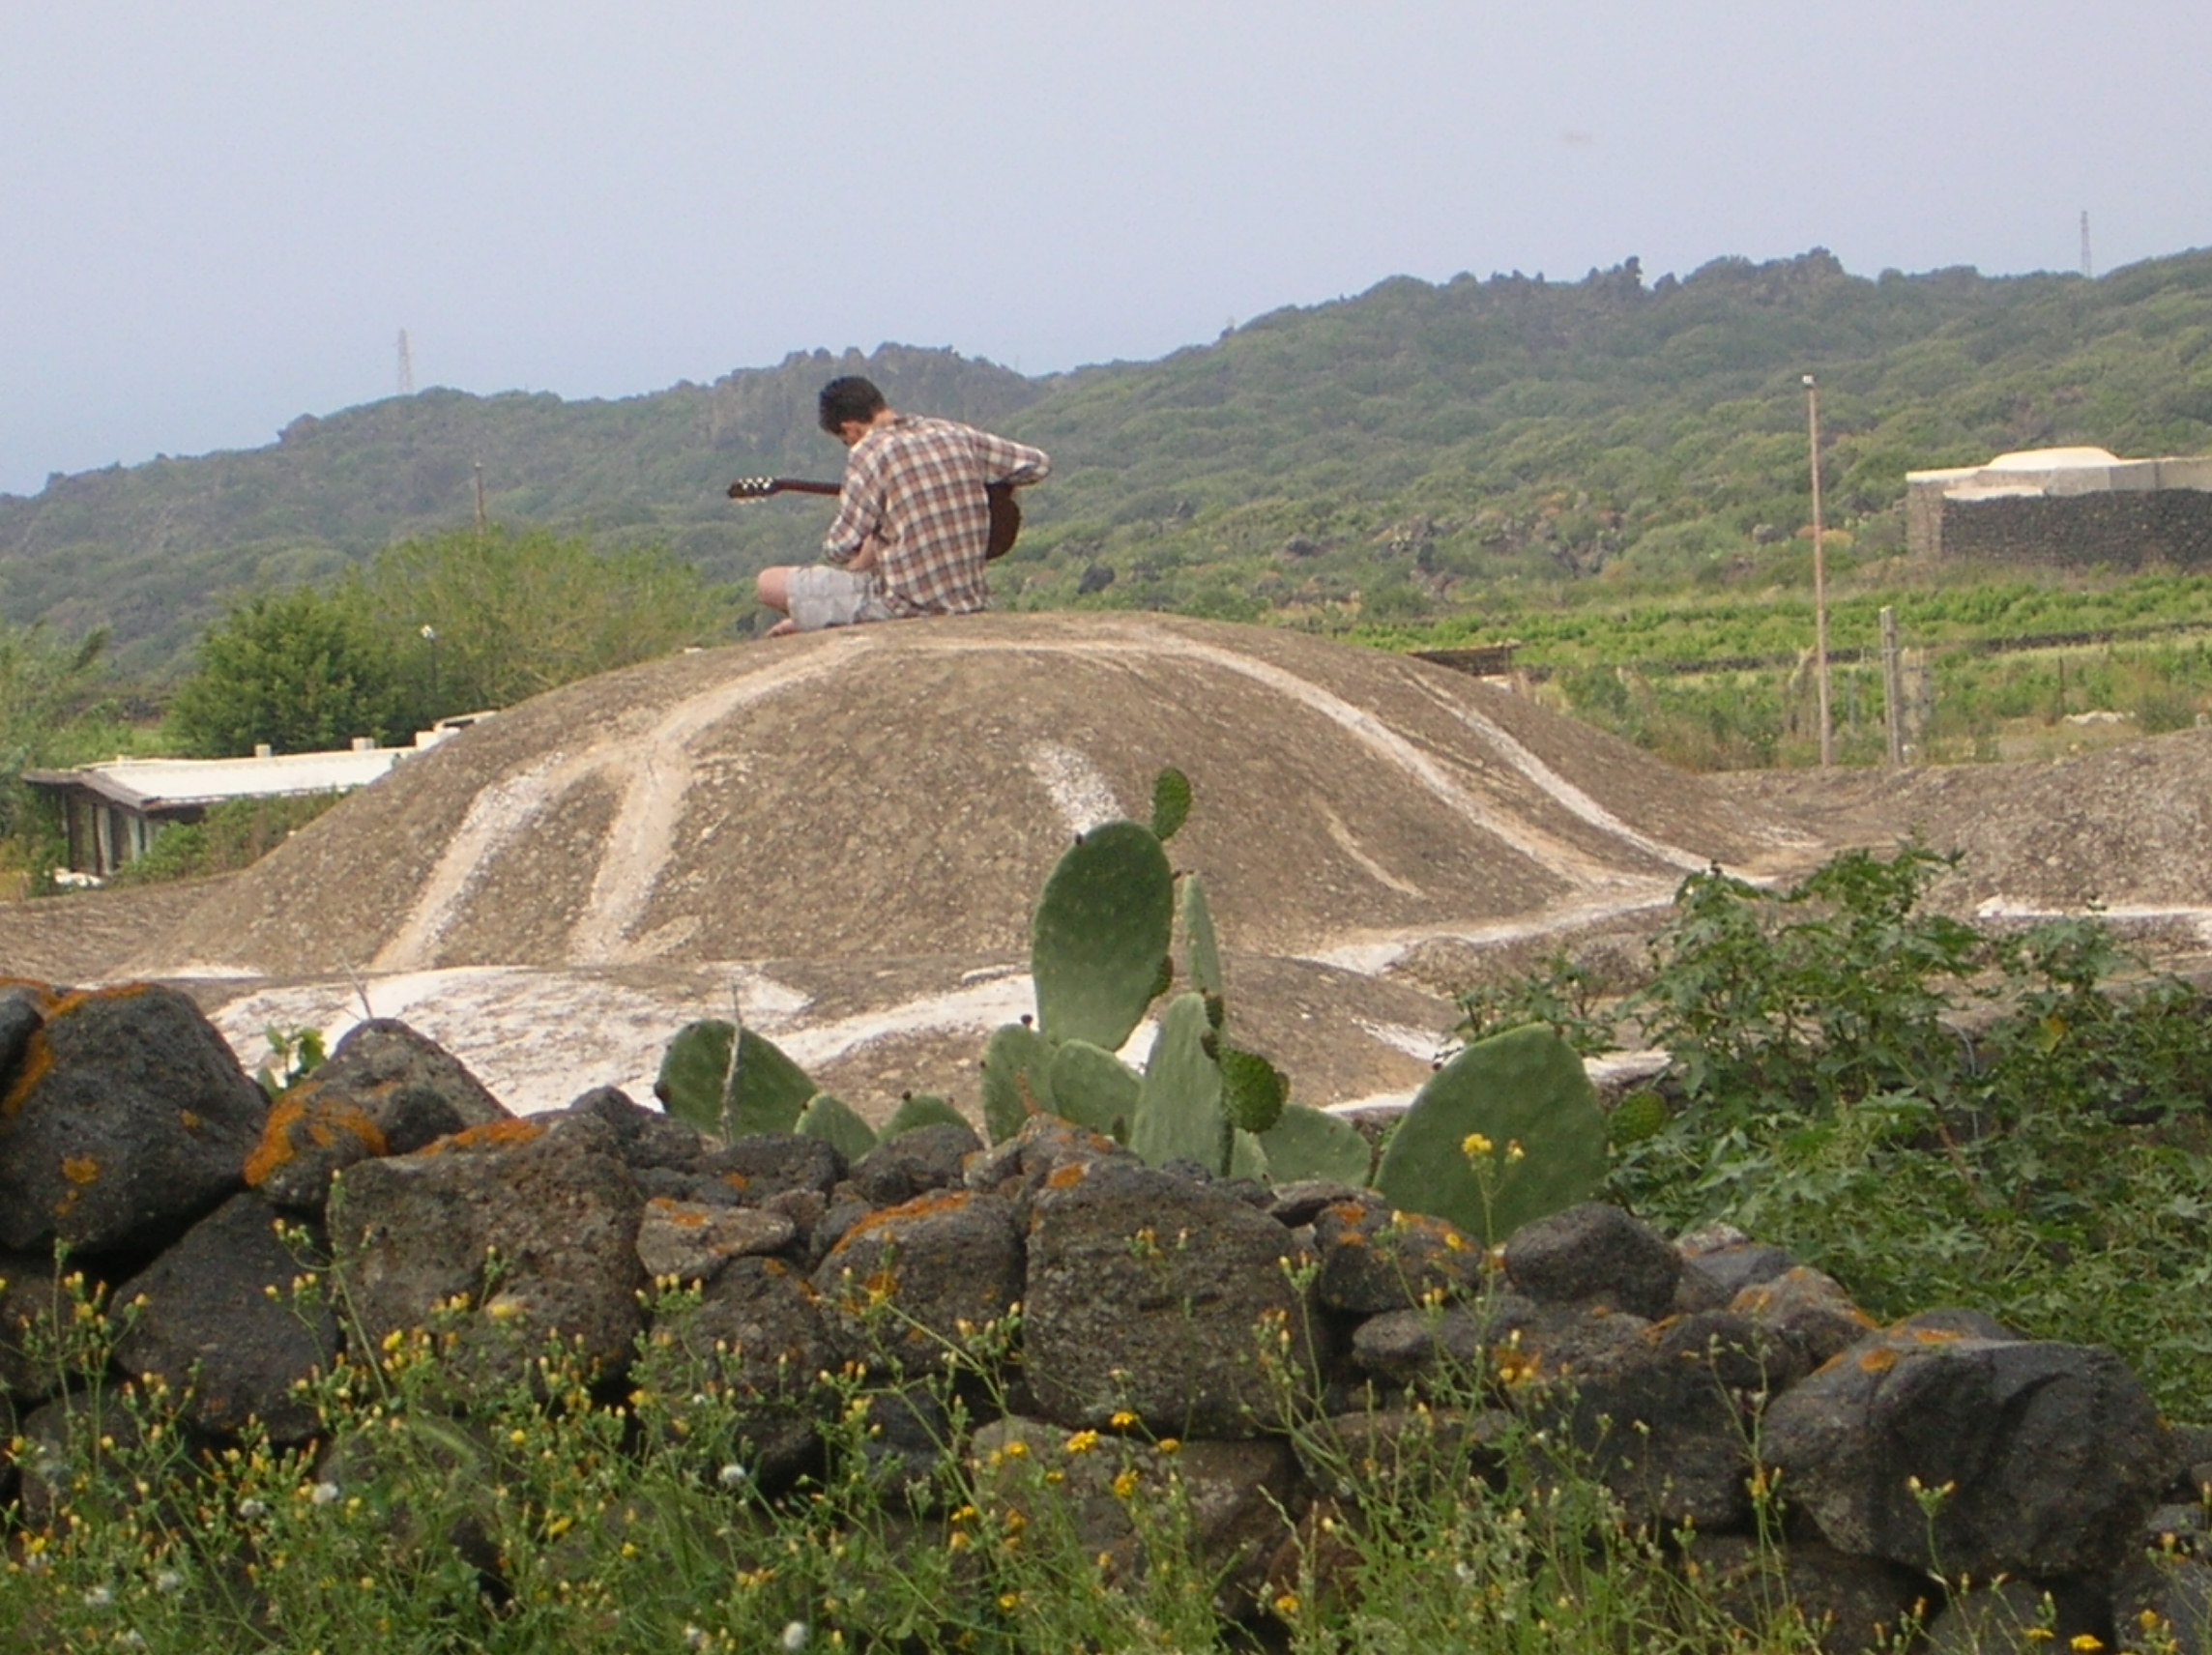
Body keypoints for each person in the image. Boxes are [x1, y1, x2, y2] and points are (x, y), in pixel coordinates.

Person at [755, 376, 1051, 635]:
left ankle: (829, 619)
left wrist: (872, 530)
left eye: (844, 439)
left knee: (768, 582)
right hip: (969, 598)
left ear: (851, 429)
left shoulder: (868, 453)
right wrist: (987, 491)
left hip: (905, 605)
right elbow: (1037, 465)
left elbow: (840, 547)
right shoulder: (953, 433)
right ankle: (822, 616)